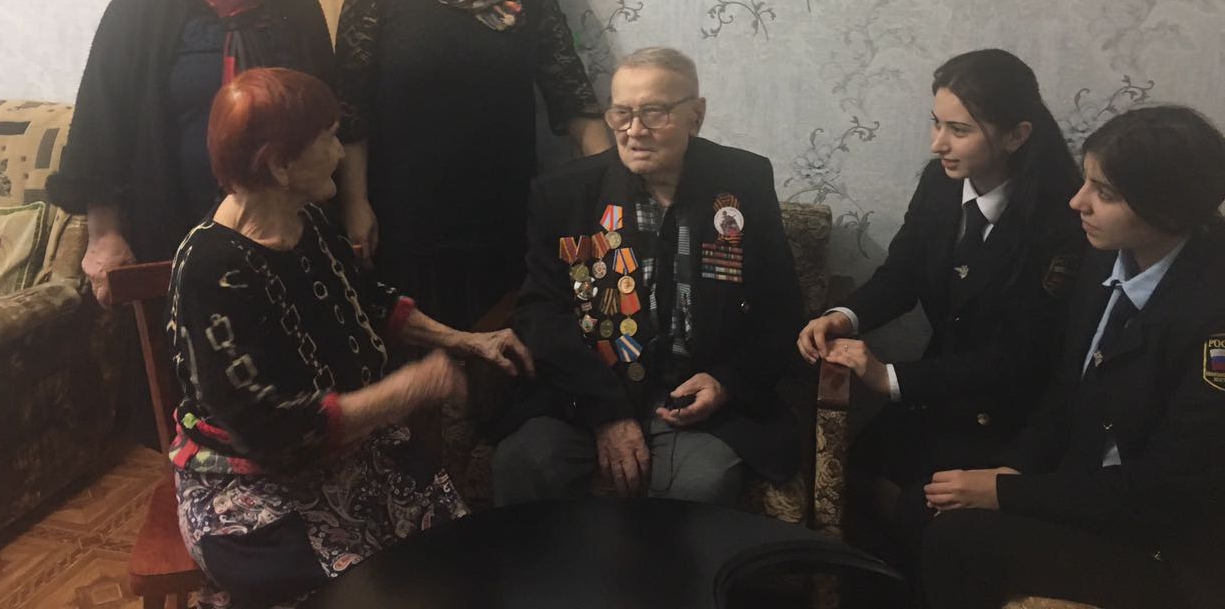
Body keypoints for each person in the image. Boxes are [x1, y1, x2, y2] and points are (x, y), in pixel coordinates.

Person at [169, 68, 534, 608]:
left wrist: (466, 341)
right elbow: (269, 431)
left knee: (454, 560)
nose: (341, 153)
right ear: (279, 165)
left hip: (356, 454)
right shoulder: (211, 270)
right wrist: (407, 390)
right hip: (251, 489)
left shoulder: (308, 222)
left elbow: (371, 301)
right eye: (328, 139)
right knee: (365, 590)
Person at [921, 105, 1225, 609]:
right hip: (1087, 490)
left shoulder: (1212, 317)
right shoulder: (1105, 257)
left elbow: (1164, 493)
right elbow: (1065, 393)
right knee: (924, 502)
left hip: (1163, 544)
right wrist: (1012, 470)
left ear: (1168, 208)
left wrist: (1005, 494)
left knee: (956, 539)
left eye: (1103, 193)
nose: (1077, 201)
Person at [796, 48, 1084, 561]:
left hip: (1008, 415)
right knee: (852, 474)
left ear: (1016, 136)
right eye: (936, 123)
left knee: (920, 510)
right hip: (940, 394)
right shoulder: (940, 185)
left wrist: (888, 378)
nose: (937, 144)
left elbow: (1020, 356)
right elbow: (902, 275)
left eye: (959, 130)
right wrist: (842, 316)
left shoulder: (1060, 219)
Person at [491, 47, 805, 506]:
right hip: (586, 395)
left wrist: (727, 382)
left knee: (701, 484)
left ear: (696, 115)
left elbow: (781, 307)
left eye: (654, 113)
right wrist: (607, 412)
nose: (634, 130)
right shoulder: (564, 193)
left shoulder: (744, 180)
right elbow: (540, 315)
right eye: (622, 113)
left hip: (698, 399)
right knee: (525, 463)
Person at [335, 0, 610, 330]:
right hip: (405, 210)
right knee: (417, 351)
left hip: (502, 208)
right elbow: (351, 101)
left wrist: (616, 192)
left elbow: (569, 89)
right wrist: (355, 202)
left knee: (500, 348)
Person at [49, 0, 333, 304]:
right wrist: (104, 234)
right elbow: (101, 124)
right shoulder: (143, 4)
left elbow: (325, 123)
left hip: (288, 234)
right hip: (169, 231)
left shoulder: (299, 7)